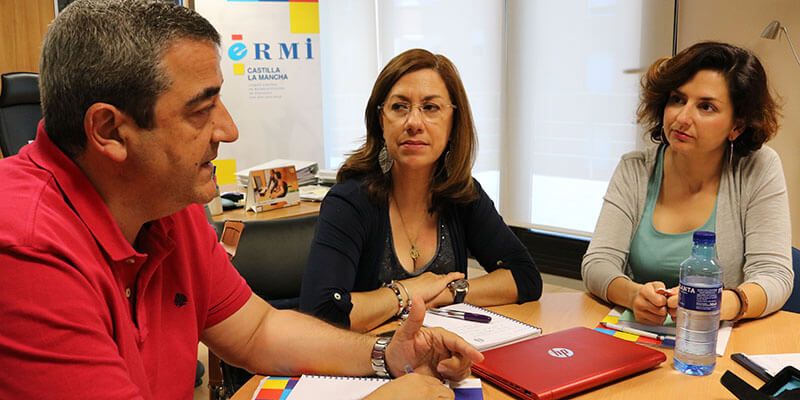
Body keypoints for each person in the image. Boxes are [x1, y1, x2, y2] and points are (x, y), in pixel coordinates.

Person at [0, 1, 482, 399]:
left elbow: (257, 331)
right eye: (202, 108)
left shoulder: (167, 207)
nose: (228, 130)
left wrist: (383, 356)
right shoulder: (24, 247)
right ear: (109, 130)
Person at [299, 48, 543, 332]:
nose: (414, 123)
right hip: (366, 363)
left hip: (441, 360)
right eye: (399, 107)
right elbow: (320, 313)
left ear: (453, 122)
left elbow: (525, 277)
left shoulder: (463, 195)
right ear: (381, 121)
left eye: (430, 108)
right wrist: (408, 291)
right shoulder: (350, 202)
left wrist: (449, 292)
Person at [581, 41, 792, 325]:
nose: (681, 118)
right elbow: (597, 263)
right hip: (641, 334)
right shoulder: (635, 169)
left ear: (737, 126)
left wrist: (721, 302)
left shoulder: (758, 168)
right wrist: (633, 295)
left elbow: (775, 275)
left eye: (706, 107)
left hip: (716, 341)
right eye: (677, 100)